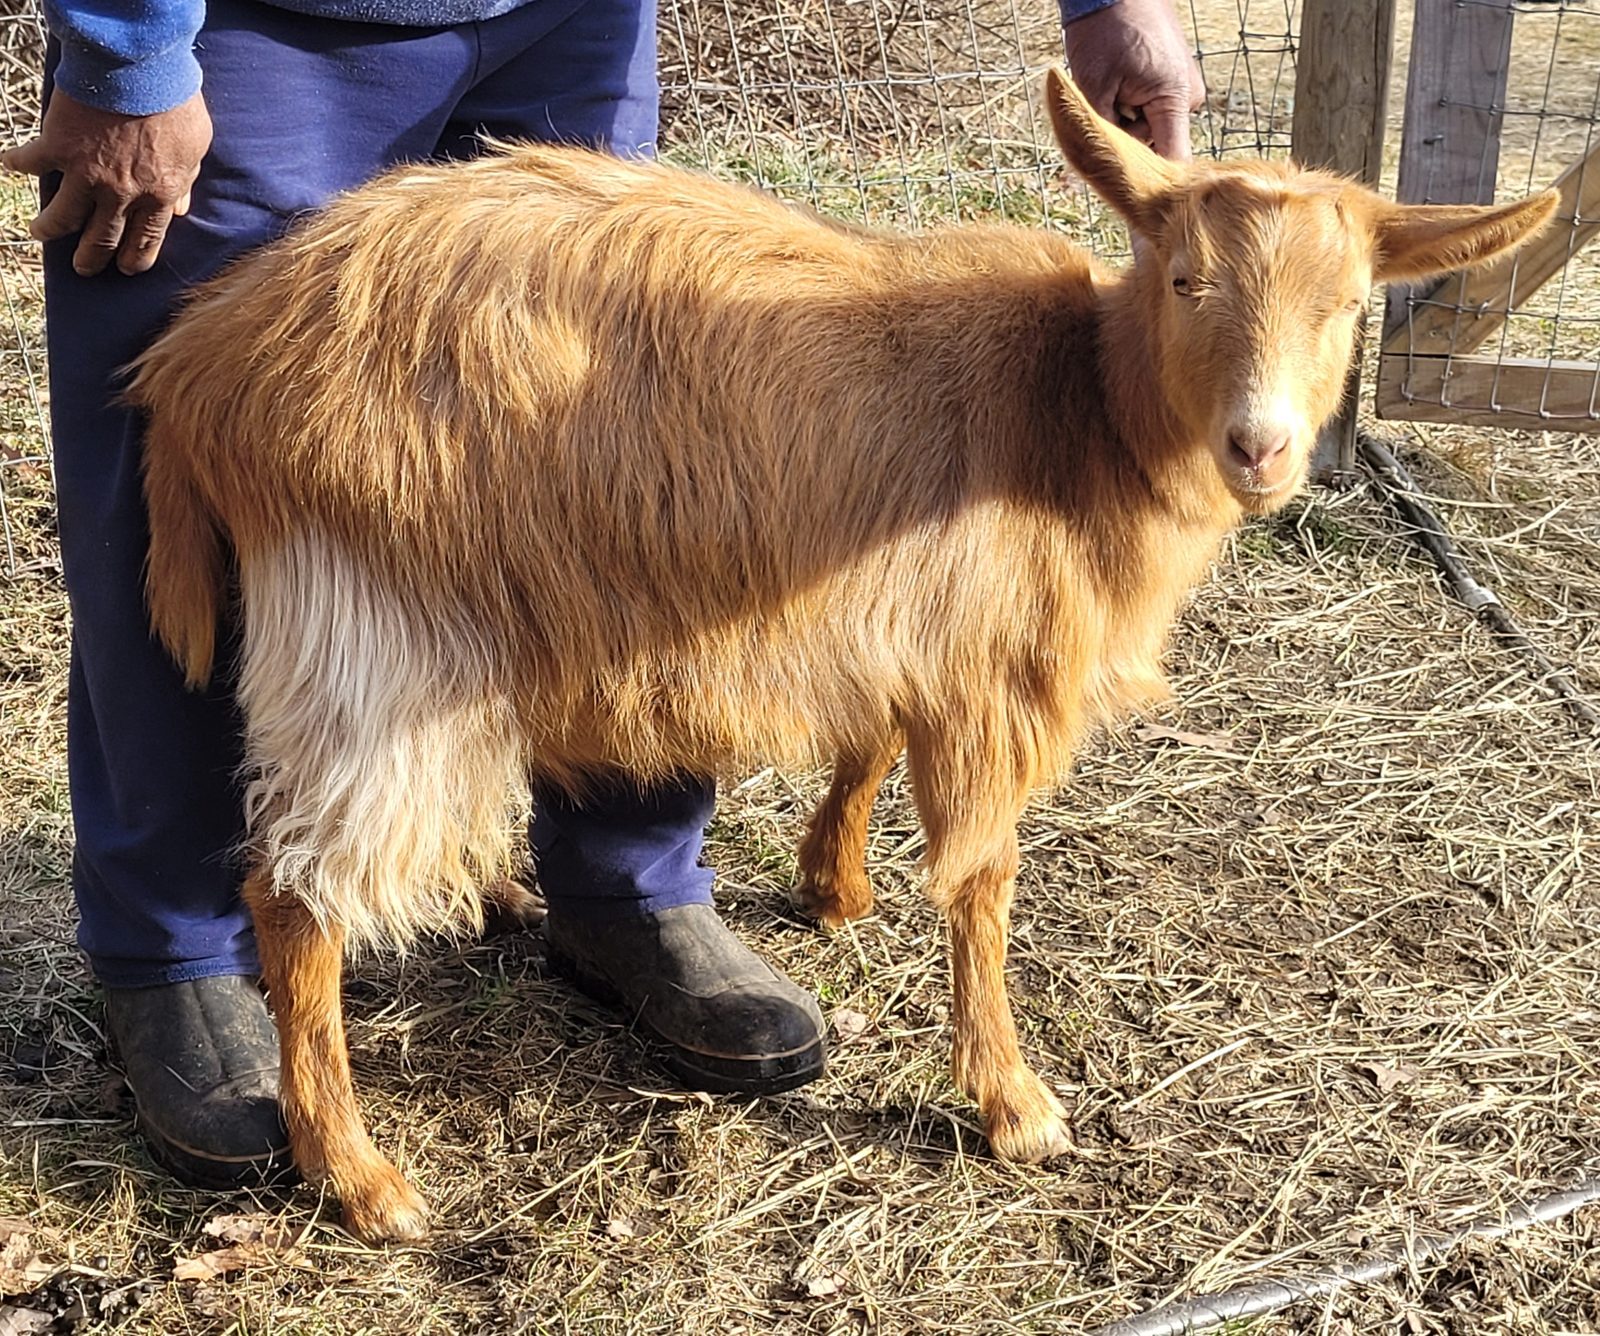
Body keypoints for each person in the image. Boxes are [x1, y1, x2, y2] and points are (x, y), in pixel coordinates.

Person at [3, 0, 1203, 1190]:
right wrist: (133, 43)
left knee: (646, 461)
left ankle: (626, 883)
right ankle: (176, 951)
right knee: (237, 429)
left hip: (568, 18)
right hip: (265, 30)